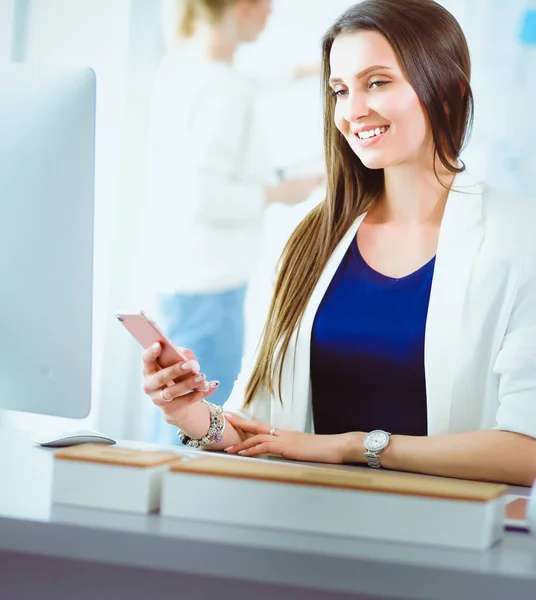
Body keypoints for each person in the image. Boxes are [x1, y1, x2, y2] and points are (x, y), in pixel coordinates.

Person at [141, 0, 536, 486]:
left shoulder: (519, 236)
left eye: (377, 82)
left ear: (449, 93)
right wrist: (190, 414)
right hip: (305, 530)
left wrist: (354, 446)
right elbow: (258, 425)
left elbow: (526, 450)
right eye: (340, 90)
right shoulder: (313, 237)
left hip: (446, 540)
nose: (352, 111)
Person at [142, 0, 323, 445]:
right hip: (211, 287)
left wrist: (319, 67)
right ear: (245, 6)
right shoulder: (224, 88)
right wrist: (281, 193)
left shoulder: (185, 70)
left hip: (182, 277)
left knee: (172, 403)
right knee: (197, 420)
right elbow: (205, 195)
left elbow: (253, 81)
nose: (273, 12)